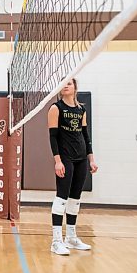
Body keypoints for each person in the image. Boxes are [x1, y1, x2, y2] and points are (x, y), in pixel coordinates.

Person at [48, 78, 98, 255]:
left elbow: (86, 136)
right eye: (62, 83)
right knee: (61, 197)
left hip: (81, 158)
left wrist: (91, 159)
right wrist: (58, 161)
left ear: (75, 87)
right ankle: (56, 241)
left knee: (75, 198)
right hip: (65, 158)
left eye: (69, 83)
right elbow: (53, 137)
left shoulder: (81, 110)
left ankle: (71, 237)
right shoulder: (56, 108)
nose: (65, 86)